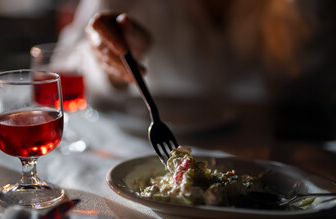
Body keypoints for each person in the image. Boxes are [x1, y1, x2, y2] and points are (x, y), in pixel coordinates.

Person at [56, 0, 336, 140]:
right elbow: (66, 62)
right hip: (145, 157)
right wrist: (108, 64)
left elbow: (307, 81)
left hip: (269, 149)